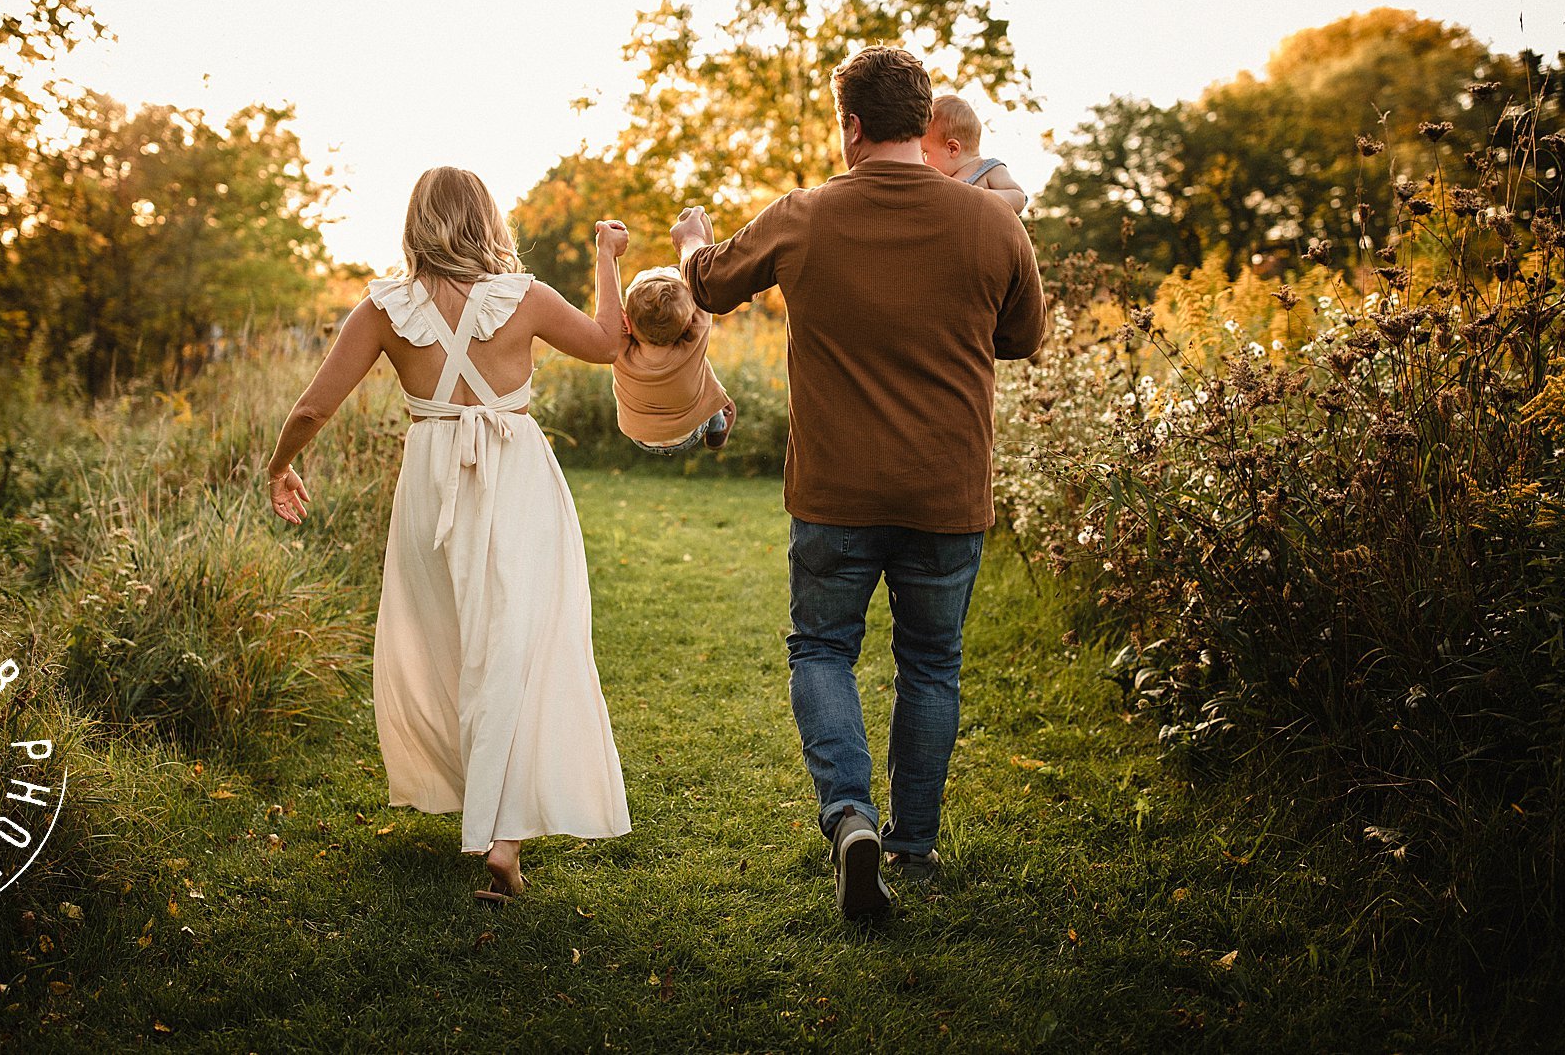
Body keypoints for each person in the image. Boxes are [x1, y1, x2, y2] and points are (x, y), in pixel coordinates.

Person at [672, 46, 1046, 923]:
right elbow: (1024, 337)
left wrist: (693, 241)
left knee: (822, 650)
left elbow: (715, 284)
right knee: (931, 664)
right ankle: (913, 842)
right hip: (947, 493)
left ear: (850, 126)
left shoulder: (805, 215)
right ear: (923, 126)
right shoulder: (995, 225)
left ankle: (849, 818)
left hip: (835, 492)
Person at [264, 167, 633, 901]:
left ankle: (489, 815)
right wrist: (607, 256)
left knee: (453, 640)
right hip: (516, 472)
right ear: (485, 220)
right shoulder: (521, 298)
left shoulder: (384, 307)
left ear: (416, 224)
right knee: (518, 641)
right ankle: (503, 839)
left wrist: (281, 465)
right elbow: (606, 342)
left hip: (433, 477)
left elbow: (313, 406)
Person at [612, 265, 736, 456]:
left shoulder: (617, 346)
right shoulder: (694, 339)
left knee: (696, 368)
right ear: (688, 323)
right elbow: (704, 286)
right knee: (699, 368)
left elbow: (609, 302)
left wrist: (606, 252)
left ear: (626, 322)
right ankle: (717, 424)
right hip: (689, 432)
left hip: (640, 436)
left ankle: (716, 415)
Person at [922, 93, 1029, 212]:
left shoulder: (988, 170)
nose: (922, 161)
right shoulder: (942, 182)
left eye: (925, 153)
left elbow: (1019, 198)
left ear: (952, 149)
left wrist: (975, 197)